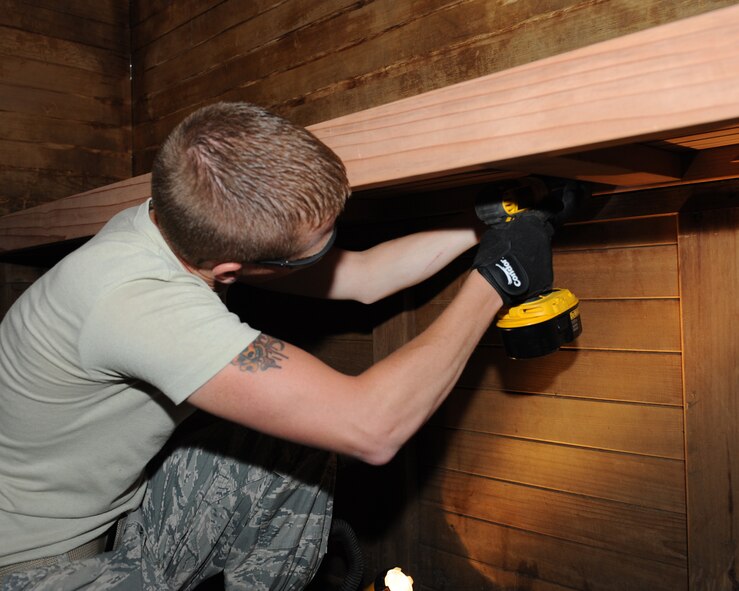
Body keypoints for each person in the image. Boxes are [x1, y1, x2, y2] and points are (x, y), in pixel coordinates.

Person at [0, 102, 554, 590]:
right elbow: (373, 428)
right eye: (309, 254)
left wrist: (496, 228)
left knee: (292, 445)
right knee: (328, 424)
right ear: (233, 268)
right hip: (33, 565)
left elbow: (363, 276)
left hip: (107, 512)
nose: (327, 254)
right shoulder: (140, 304)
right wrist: (500, 279)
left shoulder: (173, 222)